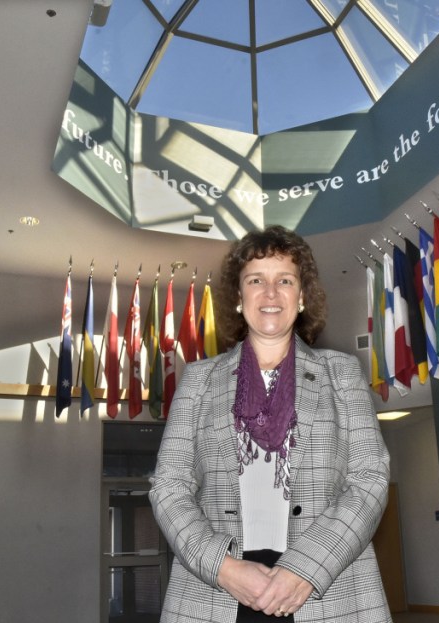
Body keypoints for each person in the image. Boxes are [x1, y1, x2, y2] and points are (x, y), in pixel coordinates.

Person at [149, 225, 392, 622]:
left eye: (285, 280)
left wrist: (305, 569)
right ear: (240, 299)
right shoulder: (198, 380)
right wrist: (222, 568)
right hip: (215, 592)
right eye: (256, 280)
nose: (271, 293)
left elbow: (369, 480)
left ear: (300, 298)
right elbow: (169, 487)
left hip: (326, 588)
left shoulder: (342, 374)